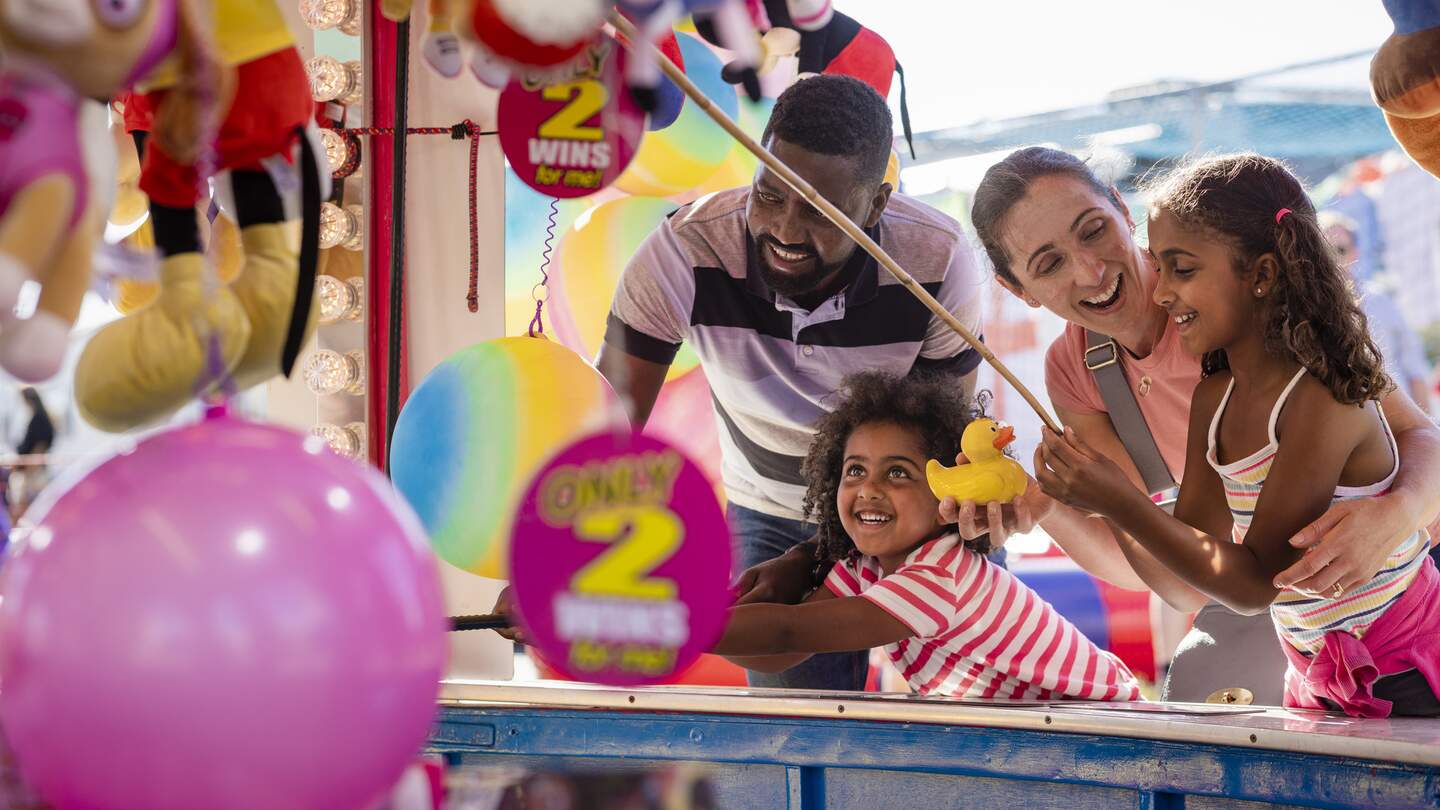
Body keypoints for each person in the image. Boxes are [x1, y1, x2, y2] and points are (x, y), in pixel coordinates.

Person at [496, 75, 989, 691]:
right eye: (770, 194)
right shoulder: (681, 252)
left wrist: (813, 560)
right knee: (796, 738)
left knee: (974, 713)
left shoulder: (938, 262)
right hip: (770, 507)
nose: (784, 230)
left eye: (819, 211)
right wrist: (548, 566)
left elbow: (939, 452)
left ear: (877, 204)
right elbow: (612, 433)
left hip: (912, 506)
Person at [1037, 154, 1440, 717]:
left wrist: (1117, 501)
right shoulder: (1216, 395)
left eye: (1181, 269)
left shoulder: (1319, 398)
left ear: (1263, 276)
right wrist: (1084, 502)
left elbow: (1255, 585)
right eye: (1161, 265)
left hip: (1405, 667)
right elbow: (1201, 549)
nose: (1160, 292)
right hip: (1313, 664)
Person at [714, 371, 1141, 701]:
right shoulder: (862, 568)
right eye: (855, 470)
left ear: (950, 490)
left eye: (898, 473)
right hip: (1035, 734)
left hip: (1106, 722)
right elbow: (784, 655)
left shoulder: (939, 577)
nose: (869, 489)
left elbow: (790, 632)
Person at [1319, 212, 1433, 415]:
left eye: (1340, 250)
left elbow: (1414, 366)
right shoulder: (1313, 312)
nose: (1333, 259)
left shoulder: (1381, 301)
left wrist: (1427, 426)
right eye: (1325, 252)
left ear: (1355, 252)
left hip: (1401, 420)